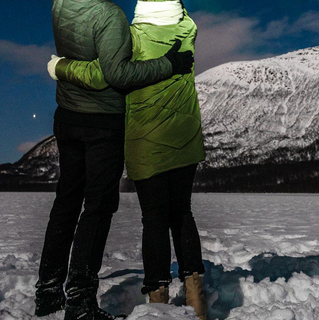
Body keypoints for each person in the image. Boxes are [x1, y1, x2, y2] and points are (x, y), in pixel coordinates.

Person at [47, 0, 207, 319]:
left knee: (155, 217)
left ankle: (158, 299)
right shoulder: (188, 29)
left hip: (146, 139)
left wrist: (59, 67)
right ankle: (196, 299)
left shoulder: (132, 36)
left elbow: (102, 75)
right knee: (182, 213)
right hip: (186, 136)